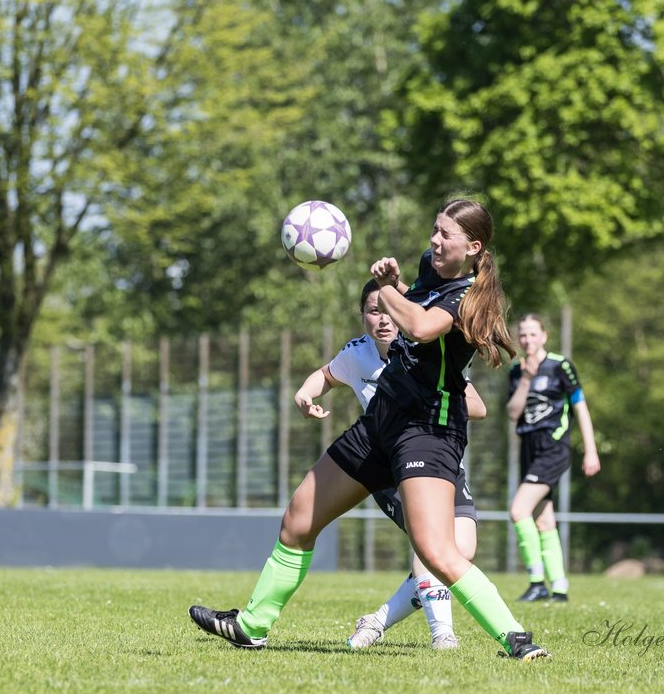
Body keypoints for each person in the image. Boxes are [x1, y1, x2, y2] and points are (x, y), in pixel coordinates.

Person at [190, 198, 549, 661]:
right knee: (299, 520)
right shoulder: (431, 267)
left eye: (446, 235)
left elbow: (420, 326)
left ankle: (517, 640)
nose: (435, 241)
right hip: (382, 419)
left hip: (427, 431)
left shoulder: (467, 295)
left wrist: (387, 289)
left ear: (474, 246)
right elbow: (414, 306)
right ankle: (251, 626)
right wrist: (399, 283)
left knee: (436, 550)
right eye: (434, 231)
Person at [294, 279, 488, 651]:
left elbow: (478, 407)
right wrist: (305, 393)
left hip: (440, 457)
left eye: (388, 309)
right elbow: (326, 375)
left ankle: (378, 620)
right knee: (431, 543)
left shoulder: (426, 355)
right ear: (363, 316)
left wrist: (431, 401)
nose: (382, 319)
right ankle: (442, 633)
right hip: (389, 466)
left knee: (461, 550)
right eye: (373, 310)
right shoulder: (357, 354)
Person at [506, 313, 601, 602]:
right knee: (543, 520)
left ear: (544, 336)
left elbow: (580, 406)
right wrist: (526, 378)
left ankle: (536, 581)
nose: (528, 340)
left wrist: (591, 449)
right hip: (528, 447)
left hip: (553, 446)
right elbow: (512, 413)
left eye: (533, 334)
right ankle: (559, 587)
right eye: (523, 334)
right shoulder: (516, 370)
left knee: (518, 510)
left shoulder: (560, 365)